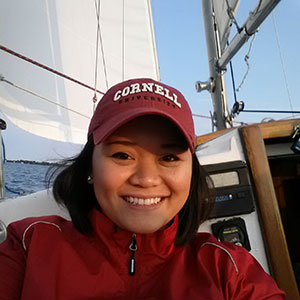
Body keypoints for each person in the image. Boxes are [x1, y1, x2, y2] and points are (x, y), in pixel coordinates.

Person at [0, 78, 285, 299]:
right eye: (122, 155)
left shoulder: (229, 270)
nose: (147, 179)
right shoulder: (29, 246)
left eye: (169, 158)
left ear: (191, 174)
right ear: (89, 167)